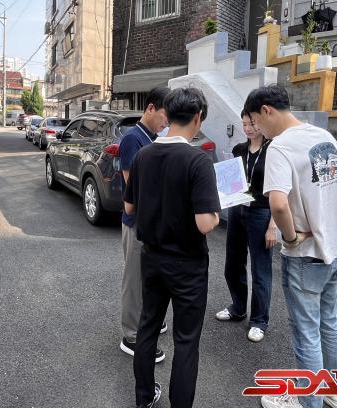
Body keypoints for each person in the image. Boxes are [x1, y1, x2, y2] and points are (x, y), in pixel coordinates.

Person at [244, 85, 337, 408]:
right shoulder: (325, 138)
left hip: (305, 256)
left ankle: (308, 402)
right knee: (329, 322)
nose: (257, 129)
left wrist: (290, 238)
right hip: (336, 247)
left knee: (307, 334)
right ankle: (333, 392)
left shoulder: (280, 147)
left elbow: (277, 204)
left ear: (266, 111)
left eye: (255, 121)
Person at [124, 87, 221, 408]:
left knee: (148, 327)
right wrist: (217, 211)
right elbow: (205, 223)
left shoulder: (143, 155)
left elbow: (128, 207)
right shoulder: (197, 160)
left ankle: (143, 398)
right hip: (187, 265)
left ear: (169, 114)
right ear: (197, 118)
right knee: (186, 341)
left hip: (151, 258)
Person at [215, 109, 278, 343]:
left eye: (251, 123)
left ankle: (259, 320)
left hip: (261, 212)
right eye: (244, 124)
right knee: (233, 264)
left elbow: (280, 190)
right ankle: (238, 307)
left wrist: (273, 225)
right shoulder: (239, 150)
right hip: (237, 209)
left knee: (261, 270)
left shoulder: (273, 150)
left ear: (260, 121)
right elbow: (232, 182)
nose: (248, 128)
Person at [119, 87, 170, 363]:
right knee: (134, 279)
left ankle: (148, 321)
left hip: (151, 223)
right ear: (150, 108)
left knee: (149, 277)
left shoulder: (152, 139)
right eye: (164, 116)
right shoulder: (132, 139)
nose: (166, 123)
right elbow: (133, 187)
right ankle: (131, 335)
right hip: (136, 222)